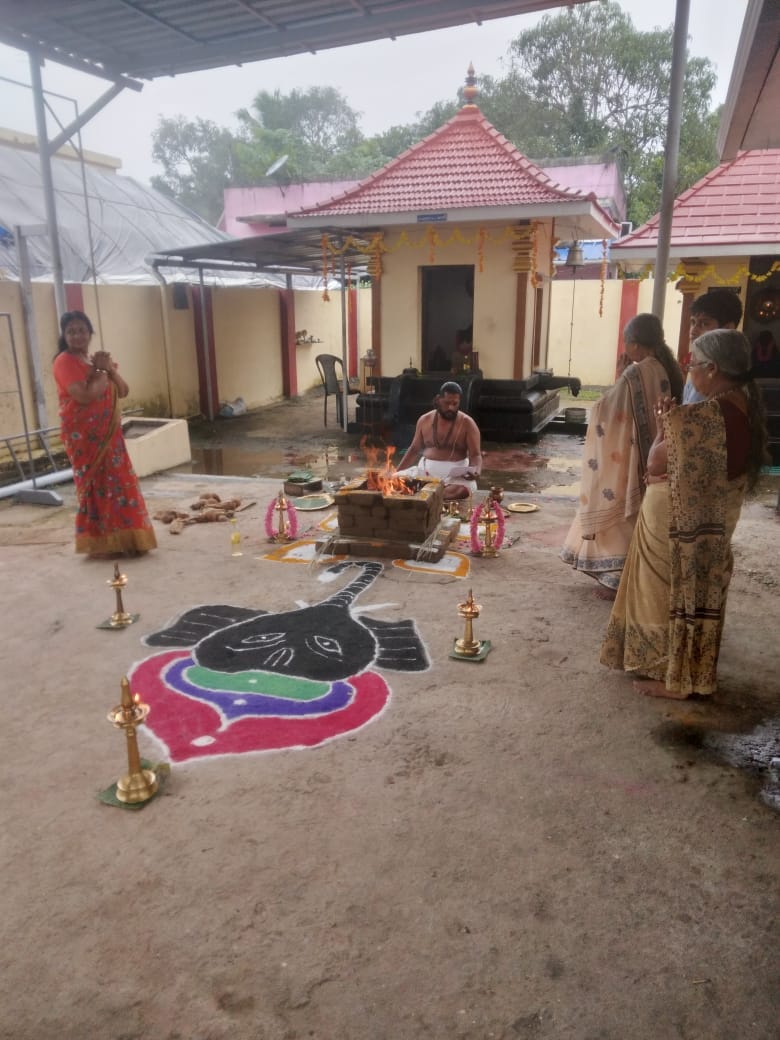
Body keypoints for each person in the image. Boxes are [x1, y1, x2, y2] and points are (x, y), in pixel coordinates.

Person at [600, 329, 769, 700]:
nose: (688, 370)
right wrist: (673, 426)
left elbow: (656, 460)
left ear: (712, 369)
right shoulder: (738, 407)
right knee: (683, 598)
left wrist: (665, 426)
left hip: (678, 529)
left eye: (691, 363)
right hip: (699, 527)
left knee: (663, 594)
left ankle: (669, 675)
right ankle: (680, 673)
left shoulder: (707, 416)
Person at [561, 313, 684, 597]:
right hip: (652, 452)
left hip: (630, 456)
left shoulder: (635, 372)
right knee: (638, 517)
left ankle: (617, 581)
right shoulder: (664, 370)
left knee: (621, 517)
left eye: (626, 342)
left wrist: (620, 374)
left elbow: (604, 409)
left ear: (635, 344)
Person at [53, 310, 157, 559]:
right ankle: (102, 541)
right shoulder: (64, 362)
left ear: (90, 333)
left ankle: (130, 538)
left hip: (111, 437)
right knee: (97, 487)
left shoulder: (95, 361)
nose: (77, 335)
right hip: (84, 439)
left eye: (81, 330)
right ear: (64, 336)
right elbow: (84, 395)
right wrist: (101, 371)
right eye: (71, 331)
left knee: (120, 484)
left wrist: (108, 369)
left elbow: (123, 390)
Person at [395, 381, 482, 500]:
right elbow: (414, 450)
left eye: (455, 403)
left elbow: (475, 455)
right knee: (394, 481)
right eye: (447, 403)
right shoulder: (424, 420)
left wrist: (476, 470)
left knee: (463, 489)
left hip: (454, 478)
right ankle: (430, 495)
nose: (451, 407)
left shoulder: (467, 423)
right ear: (438, 400)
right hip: (424, 473)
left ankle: (424, 495)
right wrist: (396, 473)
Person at [682, 289, 743, 404]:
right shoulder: (698, 365)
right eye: (693, 322)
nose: (693, 331)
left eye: (704, 323)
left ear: (727, 329)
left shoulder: (726, 375)